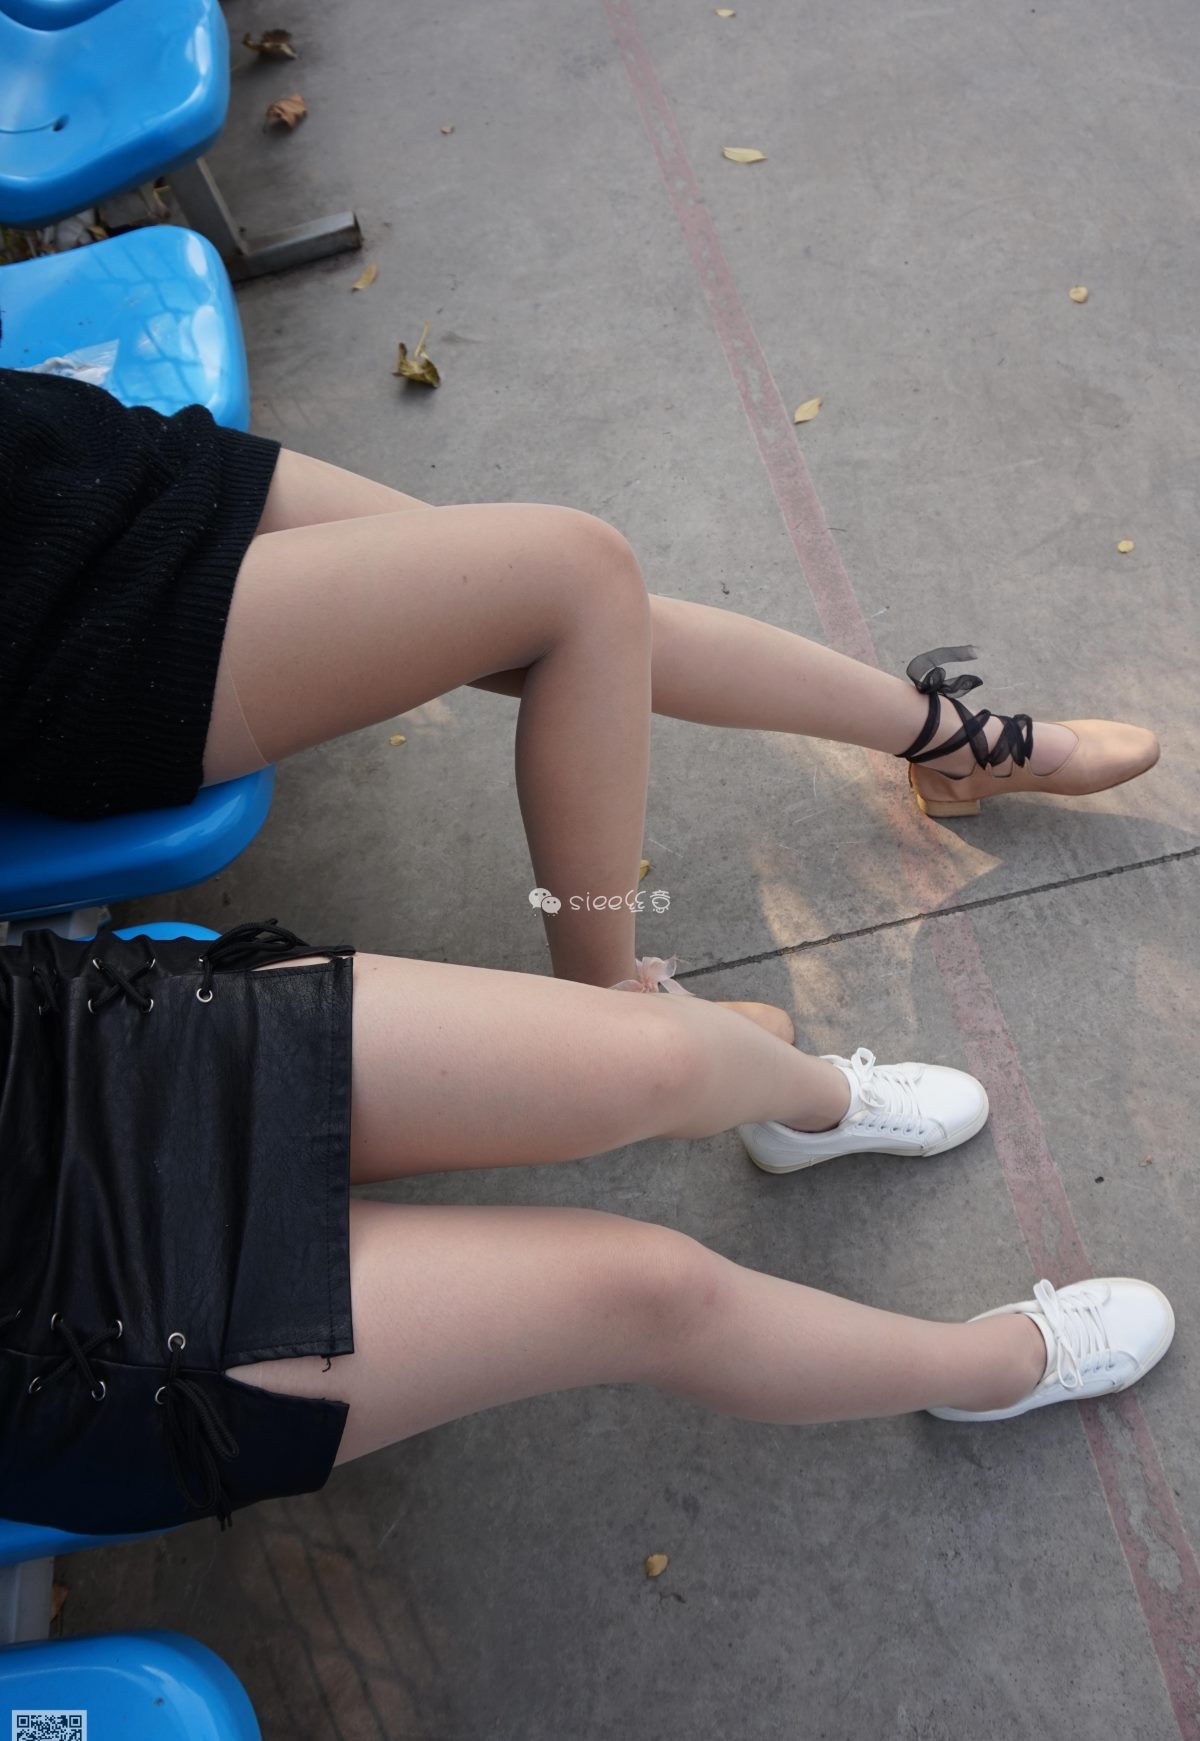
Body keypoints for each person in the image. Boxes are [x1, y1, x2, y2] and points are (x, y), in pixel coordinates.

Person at [0, 370, 1172, 1535]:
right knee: (654, 1288)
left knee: (593, 613)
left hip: (47, 1022)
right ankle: (991, 1370)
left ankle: (808, 1093)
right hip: (57, 1309)